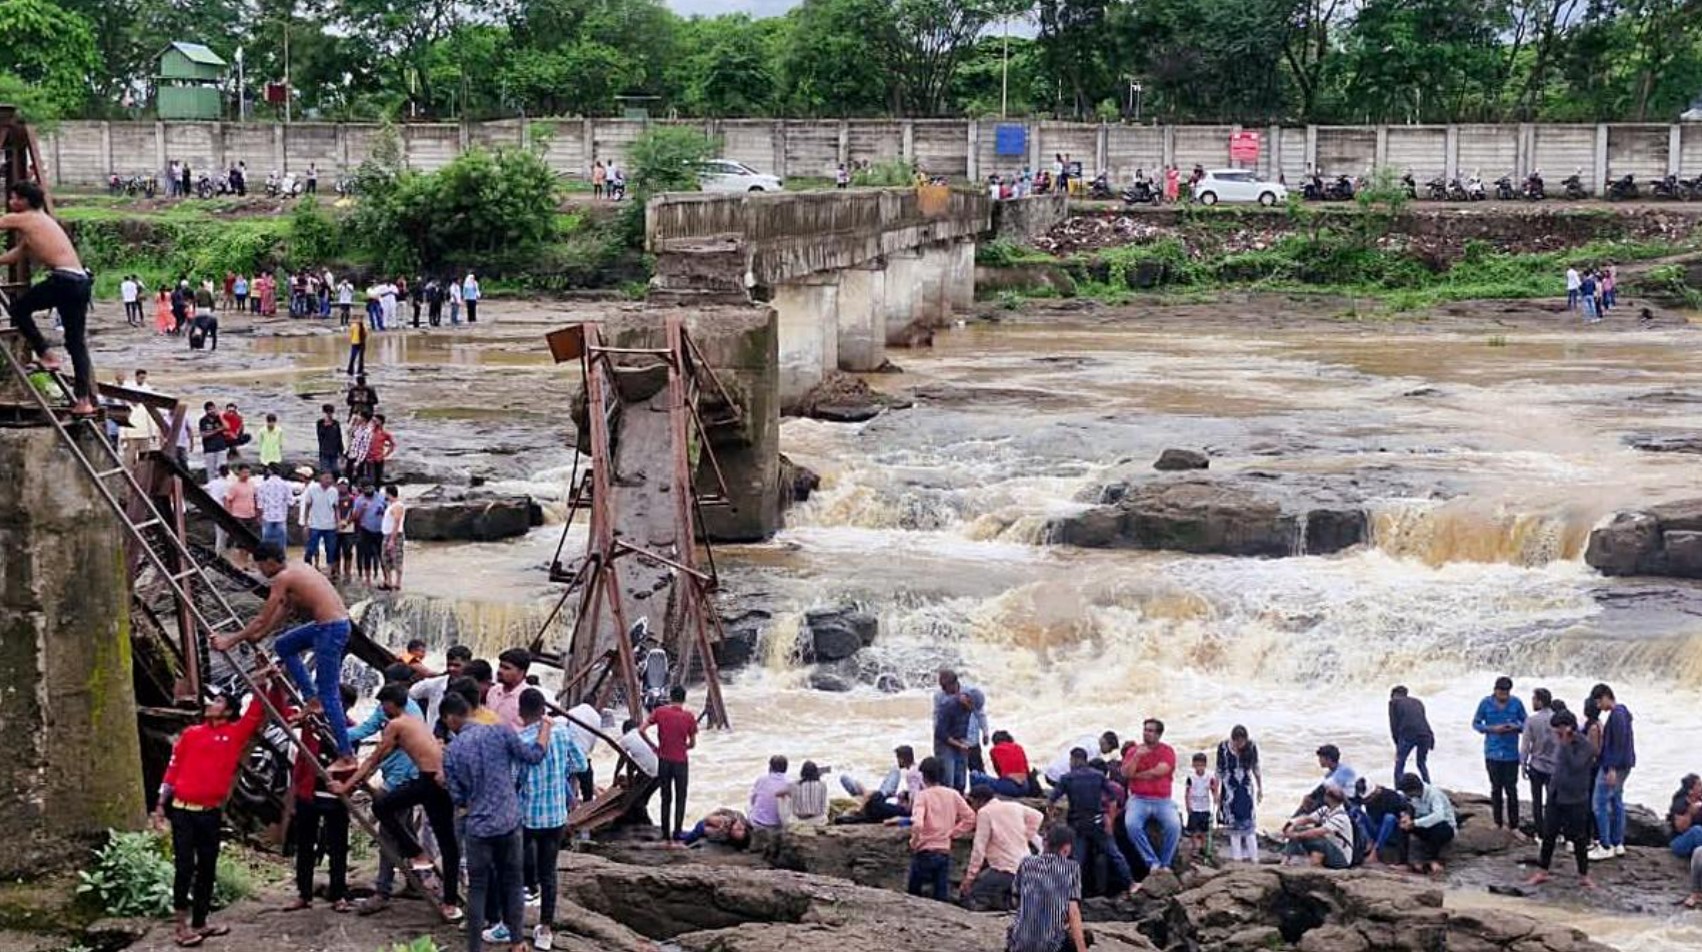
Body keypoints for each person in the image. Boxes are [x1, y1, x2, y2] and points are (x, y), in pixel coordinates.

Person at [153, 672, 276, 946]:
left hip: (209, 812)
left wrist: (263, 681)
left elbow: (256, 712)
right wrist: (161, 804)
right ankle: (181, 927)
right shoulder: (191, 734)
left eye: (218, 701)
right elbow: (173, 769)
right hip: (182, 810)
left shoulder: (234, 734)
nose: (211, 703)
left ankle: (201, 922)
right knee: (185, 867)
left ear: (229, 710)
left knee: (207, 867)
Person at [212, 543, 356, 768]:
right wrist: (261, 635)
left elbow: (262, 617)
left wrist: (230, 640)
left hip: (330, 629)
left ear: (269, 561)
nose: (259, 571)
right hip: (330, 626)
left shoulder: (282, 577)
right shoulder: (297, 568)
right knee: (284, 645)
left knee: (329, 694)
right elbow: (284, 610)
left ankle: (347, 756)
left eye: (259, 565)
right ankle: (312, 698)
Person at [332, 684, 463, 922]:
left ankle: (417, 853)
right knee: (448, 844)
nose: (382, 709)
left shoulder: (396, 724)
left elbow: (373, 758)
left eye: (383, 704)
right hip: (435, 779)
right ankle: (450, 902)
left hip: (430, 782)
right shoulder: (414, 720)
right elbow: (388, 756)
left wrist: (346, 786)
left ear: (392, 703)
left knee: (382, 807)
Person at [0, 181, 97, 414]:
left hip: (64, 280)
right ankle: (83, 401)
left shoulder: (26, 217)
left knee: (18, 310)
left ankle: (46, 354)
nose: (11, 203)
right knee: (76, 343)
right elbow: (17, 254)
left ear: (24, 200)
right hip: (80, 281)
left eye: (14, 198)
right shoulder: (40, 222)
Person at [516, 688, 585, 950]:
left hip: (528, 815)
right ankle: (545, 929)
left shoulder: (521, 739)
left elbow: (515, 778)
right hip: (556, 814)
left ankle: (511, 922)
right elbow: (581, 765)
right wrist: (559, 771)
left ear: (521, 712)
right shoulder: (562, 733)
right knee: (549, 872)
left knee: (517, 866)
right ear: (543, 710)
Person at [285, 683, 356, 913]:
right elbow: (288, 717)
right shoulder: (311, 723)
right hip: (309, 792)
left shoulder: (351, 730)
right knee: (305, 844)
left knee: (337, 846)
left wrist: (346, 786)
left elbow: (351, 763)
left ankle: (338, 894)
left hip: (337, 795)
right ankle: (303, 894)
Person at [1525, 709, 1597, 891]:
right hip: (1556, 796)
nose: (1556, 734)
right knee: (1549, 835)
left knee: (1579, 838)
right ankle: (1542, 871)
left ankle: (1584, 875)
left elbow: (1575, 766)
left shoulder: (1585, 746)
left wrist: (1565, 744)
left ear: (1569, 728)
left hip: (1576, 799)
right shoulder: (1560, 742)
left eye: (1558, 730)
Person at [1048, 747, 1132, 896]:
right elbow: (1113, 800)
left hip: (1077, 825)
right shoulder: (1098, 776)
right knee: (1114, 854)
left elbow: (1051, 801)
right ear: (1086, 760)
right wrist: (1110, 821)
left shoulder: (1067, 778)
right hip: (1097, 822)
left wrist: (1052, 818)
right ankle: (1131, 883)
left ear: (1073, 760)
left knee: (1077, 859)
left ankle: (1071, 892)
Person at [960, 784, 1043, 912]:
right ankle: (1009, 902)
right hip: (1026, 866)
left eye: (971, 802)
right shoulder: (1013, 806)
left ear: (979, 801)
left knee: (972, 895)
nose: (971, 807)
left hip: (1005, 869)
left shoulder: (984, 813)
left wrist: (969, 878)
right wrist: (1026, 835)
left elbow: (979, 848)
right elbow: (1038, 816)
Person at [1007, 825, 1090, 952]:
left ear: (1045, 843)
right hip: (1050, 946)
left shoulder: (1026, 863)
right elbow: (1073, 911)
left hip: (1020, 943)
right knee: (1087, 937)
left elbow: (1016, 899)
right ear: (1067, 848)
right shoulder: (1071, 868)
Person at [907, 756, 976, 901]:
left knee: (913, 892)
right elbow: (970, 818)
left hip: (924, 850)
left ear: (923, 776)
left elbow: (918, 824)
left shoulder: (922, 796)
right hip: (944, 849)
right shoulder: (952, 794)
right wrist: (953, 833)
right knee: (940, 893)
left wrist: (914, 842)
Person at [640, 685, 698, 843]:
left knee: (665, 797)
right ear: (684, 699)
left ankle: (665, 833)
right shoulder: (689, 717)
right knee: (681, 797)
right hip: (680, 761)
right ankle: (677, 832)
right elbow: (693, 744)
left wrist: (654, 747)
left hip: (664, 760)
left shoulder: (660, 712)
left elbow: (641, 730)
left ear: (671, 697)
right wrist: (683, 746)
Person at [1123, 718, 1181, 876]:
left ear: (1158, 734)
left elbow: (1160, 771)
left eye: (1150, 730)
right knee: (1131, 824)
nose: (1146, 733)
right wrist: (1136, 757)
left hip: (1162, 800)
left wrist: (1138, 775)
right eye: (1145, 730)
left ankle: (1165, 863)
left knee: (1174, 826)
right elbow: (1126, 774)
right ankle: (1152, 862)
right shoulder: (1133, 751)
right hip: (1138, 799)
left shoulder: (1167, 751)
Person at [1474, 676, 1528, 833]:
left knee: (1512, 790)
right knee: (1495, 788)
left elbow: (1526, 724)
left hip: (1511, 754)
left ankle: (1514, 825)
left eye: (1507, 692)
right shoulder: (1485, 703)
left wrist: (1515, 726)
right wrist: (1492, 729)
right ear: (1495, 690)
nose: (1504, 695)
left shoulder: (1516, 703)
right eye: (1501, 691)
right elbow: (1476, 723)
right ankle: (1497, 822)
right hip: (1492, 753)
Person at [1590, 683, 1635, 861]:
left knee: (1598, 803)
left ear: (1606, 697)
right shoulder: (1623, 712)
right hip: (1625, 764)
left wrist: (1611, 769)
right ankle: (1618, 843)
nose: (1598, 707)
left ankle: (1605, 844)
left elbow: (1617, 744)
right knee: (1616, 801)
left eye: (1598, 702)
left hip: (1614, 766)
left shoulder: (1616, 716)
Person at [838, 745, 923, 822]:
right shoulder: (917, 769)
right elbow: (917, 791)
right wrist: (905, 795)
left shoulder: (911, 774)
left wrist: (908, 806)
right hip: (887, 800)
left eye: (898, 759)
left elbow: (915, 796)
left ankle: (867, 793)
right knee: (894, 771)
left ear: (901, 759)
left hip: (895, 805)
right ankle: (868, 794)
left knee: (876, 799)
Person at [1215, 725, 1262, 862]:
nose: (1239, 745)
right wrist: (1216, 791)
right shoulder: (1223, 748)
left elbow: (1256, 768)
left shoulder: (1251, 746)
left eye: (1242, 742)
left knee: (1248, 821)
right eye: (1237, 742)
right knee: (1232, 823)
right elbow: (1219, 770)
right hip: (1229, 788)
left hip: (1246, 787)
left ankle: (1254, 858)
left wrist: (1260, 788)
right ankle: (1237, 858)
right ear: (1233, 740)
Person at [1281, 784, 1353, 869]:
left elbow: (1319, 832)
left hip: (1341, 858)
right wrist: (1293, 826)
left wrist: (1296, 835)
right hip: (1330, 849)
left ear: (1328, 798)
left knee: (1319, 841)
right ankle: (1285, 860)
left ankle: (1314, 864)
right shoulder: (1326, 810)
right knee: (1299, 830)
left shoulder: (1341, 817)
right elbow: (1307, 819)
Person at [1398, 773, 1456, 874]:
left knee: (1438, 829)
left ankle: (1434, 860)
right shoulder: (1413, 797)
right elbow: (1410, 807)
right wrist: (1406, 816)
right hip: (1423, 824)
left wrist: (1415, 823)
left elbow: (1438, 816)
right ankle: (1404, 861)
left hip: (1444, 827)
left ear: (1415, 790)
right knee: (1402, 827)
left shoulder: (1433, 794)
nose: (1407, 795)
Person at [410, 644, 472, 736]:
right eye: (449, 665)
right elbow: (410, 694)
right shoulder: (435, 684)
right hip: (433, 739)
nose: (451, 669)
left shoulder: (474, 688)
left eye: (457, 665)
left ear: (468, 665)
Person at [1522, 687, 1559, 836]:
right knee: (1553, 803)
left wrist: (1523, 764)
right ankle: (1554, 831)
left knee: (1536, 801)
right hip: (1555, 767)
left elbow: (1525, 745)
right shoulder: (1558, 719)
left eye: (1534, 699)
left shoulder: (1532, 720)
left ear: (1540, 701)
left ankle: (1540, 833)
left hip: (1537, 765)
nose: (1532, 702)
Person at [933, 668, 974, 792]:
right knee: (948, 781)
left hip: (961, 740)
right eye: (942, 686)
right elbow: (940, 733)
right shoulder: (945, 703)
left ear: (955, 684)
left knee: (960, 780)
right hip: (946, 743)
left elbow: (977, 710)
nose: (943, 689)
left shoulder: (970, 694)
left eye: (945, 686)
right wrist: (959, 744)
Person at [1388, 685, 1434, 785]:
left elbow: (1394, 724)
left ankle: (1399, 789)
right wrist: (1431, 738)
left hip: (1408, 734)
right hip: (1425, 734)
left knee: (1400, 762)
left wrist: (1397, 743)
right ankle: (1429, 785)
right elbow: (1423, 720)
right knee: (1421, 763)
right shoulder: (1418, 702)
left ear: (1394, 694)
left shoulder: (1394, 702)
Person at [971, 730, 1037, 798]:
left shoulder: (994, 750)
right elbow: (1027, 769)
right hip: (1025, 786)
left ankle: (975, 798)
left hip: (1010, 787)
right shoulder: (1018, 747)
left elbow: (998, 771)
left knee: (974, 774)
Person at [301, 470, 341, 575]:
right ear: (320, 478)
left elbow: (336, 508)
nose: (329, 480)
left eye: (330, 478)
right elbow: (307, 507)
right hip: (315, 524)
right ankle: (307, 567)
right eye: (326, 478)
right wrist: (306, 523)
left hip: (330, 526)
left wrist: (338, 522)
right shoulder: (312, 489)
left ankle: (329, 570)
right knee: (311, 548)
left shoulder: (334, 491)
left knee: (331, 549)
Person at [1183, 752, 1219, 860]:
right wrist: (1188, 805)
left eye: (1201, 765)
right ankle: (1195, 848)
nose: (1199, 767)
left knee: (1204, 830)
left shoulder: (1209, 777)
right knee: (1194, 830)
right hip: (1194, 807)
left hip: (1205, 807)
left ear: (1205, 765)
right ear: (1193, 765)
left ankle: (1203, 847)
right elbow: (1187, 792)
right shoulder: (1191, 777)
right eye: (1197, 765)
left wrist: (1216, 797)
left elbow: (1213, 789)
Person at [256, 464, 297, 552]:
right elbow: (291, 502)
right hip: (281, 517)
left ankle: (266, 560)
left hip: (267, 516)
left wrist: (259, 517)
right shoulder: (286, 485)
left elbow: (260, 504)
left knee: (266, 543)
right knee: (281, 543)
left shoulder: (262, 485)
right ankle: (281, 560)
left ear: (269, 471)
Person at [352, 482, 386, 585]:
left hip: (380, 530)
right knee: (366, 555)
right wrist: (362, 509)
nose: (368, 490)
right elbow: (355, 517)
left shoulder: (381, 497)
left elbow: (389, 511)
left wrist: (382, 511)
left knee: (382, 555)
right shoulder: (359, 500)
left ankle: (386, 577)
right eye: (365, 489)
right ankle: (367, 579)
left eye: (370, 488)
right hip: (365, 529)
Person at [749, 755, 792, 831]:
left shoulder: (762, 779)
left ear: (770, 767)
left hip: (757, 822)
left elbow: (753, 800)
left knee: (748, 806)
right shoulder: (789, 783)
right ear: (786, 768)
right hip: (777, 825)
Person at [680, 808, 752, 849]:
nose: (740, 826)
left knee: (696, 832)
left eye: (737, 829)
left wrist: (717, 825)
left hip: (704, 827)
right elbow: (721, 810)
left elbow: (703, 826)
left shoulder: (722, 833)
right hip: (716, 815)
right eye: (742, 829)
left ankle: (684, 841)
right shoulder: (740, 817)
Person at [380, 484, 406, 591]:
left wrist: (392, 539)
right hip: (387, 534)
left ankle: (398, 582)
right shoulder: (391, 505)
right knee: (386, 558)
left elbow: (397, 522)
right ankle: (388, 581)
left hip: (394, 535)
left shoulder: (397, 506)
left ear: (389, 493)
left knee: (397, 558)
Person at [197, 402, 229, 477]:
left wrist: (220, 416)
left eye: (213, 408)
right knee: (210, 471)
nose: (212, 411)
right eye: (210, 409)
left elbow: (227, 427)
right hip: (209, 449)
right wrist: (217, 430)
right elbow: (203, 435)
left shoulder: (219, 418)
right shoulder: (203, 420)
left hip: (221, 447)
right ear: (206, 411)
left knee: (222, 469)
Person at [366, 413, 396, 486]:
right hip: (369, 458)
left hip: (379, 458)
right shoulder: (368, 432)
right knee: (371, 478)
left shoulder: (385, 434)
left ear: (381, 422)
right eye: (372, 421)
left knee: (378, 478)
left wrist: (386, 454)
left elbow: (392, 444)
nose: (373, 422)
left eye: (375, 420)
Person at [315, 404, 343, 478]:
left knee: (335, 470)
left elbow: (339, 437)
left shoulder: (336, 423)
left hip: (334, 451)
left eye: (330, 412)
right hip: (324, 451)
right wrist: (325, 426)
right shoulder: (320, 423)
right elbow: (320, 436)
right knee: (325, 471)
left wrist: (341, 452)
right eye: (327, 412)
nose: (329, 414)